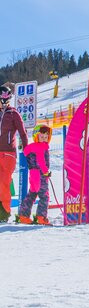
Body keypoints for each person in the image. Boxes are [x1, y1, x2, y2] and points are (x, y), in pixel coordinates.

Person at [0, 84, 28, 222]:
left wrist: (26, 149)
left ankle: (4, 213)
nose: (3, 101)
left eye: (6, 98)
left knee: (4, 182)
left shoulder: (13, 113)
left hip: (8, 153)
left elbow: (23, 132)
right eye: (1, 98)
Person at [16, 124, 52, 225]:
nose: (44, 139)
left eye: (46, 137)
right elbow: (41, 161)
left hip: (33, 174)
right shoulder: (40, 147)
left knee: (32, 195)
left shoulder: (31, 147)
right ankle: (41, 217)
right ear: (36, 136)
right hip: (40, 175)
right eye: (42, 136)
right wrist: (46, 172)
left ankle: (23, 216)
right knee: (44, 196)